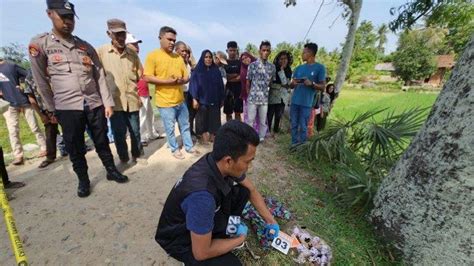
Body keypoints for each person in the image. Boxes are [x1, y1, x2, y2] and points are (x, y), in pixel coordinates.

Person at [29, 0, 128, 198]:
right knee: (75, 146)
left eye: (71, 17)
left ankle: (111, 170)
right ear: (50, 14)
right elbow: (40, 80)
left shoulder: (85, 46)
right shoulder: (41, 44)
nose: (68, 22)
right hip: (67, 106)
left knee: (101, 140)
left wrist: (107, 102)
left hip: (93, 103)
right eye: (62, 17)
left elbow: (99, 75)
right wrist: (51, 108)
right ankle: (83, 180)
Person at [156, 120, 279, 265]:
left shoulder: (217, 160)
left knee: (243, 191)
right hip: (181, 240)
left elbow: (251, 189)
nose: (249, 166)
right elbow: (201, 253)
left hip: (201, 215)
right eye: (247, 162)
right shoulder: (202, 197)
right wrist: (239, 239)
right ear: (228, 161)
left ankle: (222, 230)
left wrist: (271, 221)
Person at [144, 26, 199, 160]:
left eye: (174, 40)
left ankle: (188, 146)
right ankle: (174, 149)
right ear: (160, 38)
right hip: (165, 102)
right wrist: (167, 81)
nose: (172, 43)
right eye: (169, 39)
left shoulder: (178, 58)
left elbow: (187, 77)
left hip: (180, 99)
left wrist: (181, 80)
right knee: (169, 128)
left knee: (185, 125)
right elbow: (147, 77)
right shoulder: (153, 56)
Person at [97, 19, 144, 163]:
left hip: (132, 99)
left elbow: (139, 75)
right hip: (114, 102)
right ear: (109, 34)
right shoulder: (101, 52)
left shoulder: (132, 54)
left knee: (135, 131)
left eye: (123, 34)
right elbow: (98, 77)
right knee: (118, 133)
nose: (121, 38)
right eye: (117, 35)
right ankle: (123, 158)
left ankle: (138, 155)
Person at [0, 58, 47, 165]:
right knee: (13, 131)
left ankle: (44, 148)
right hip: (8, 104)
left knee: (34, 127)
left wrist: (23, 86)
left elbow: (29, 75)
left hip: (24, 101)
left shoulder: (11, 65)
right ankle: (18, 156)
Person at [126, 32, 162, 147]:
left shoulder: (136, 59)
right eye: (134, 45)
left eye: (137, 45)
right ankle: (140, 137)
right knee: (142, 115)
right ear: (127, 45)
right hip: (139, 93)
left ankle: (152, 133)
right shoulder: (128, 60)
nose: (137, 48)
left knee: (149, 115)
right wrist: (136, 95)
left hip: (145, 92)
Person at [289, 43, 326, 148]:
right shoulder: (298, 68)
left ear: (310, 53)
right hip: (295, 101)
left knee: (303, 126)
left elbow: (323, 86)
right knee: (294, 124)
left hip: (306, 103)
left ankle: (302, 146)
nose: (302, 54)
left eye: (304, 52)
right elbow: (291, 85)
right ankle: (294, 144)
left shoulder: (320, 68)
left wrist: (312, 84)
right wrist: (293, 83)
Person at [24, 70, 60, 168]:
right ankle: (50, 157)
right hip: (46, 110)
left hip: (62, 105)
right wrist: (41, 115)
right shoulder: (30, 76)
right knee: (50, 133)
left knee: (71, 128)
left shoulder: (53, 68)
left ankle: (78, 148)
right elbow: (31, 97)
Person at [189, 50, 225, 145]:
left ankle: (213, 134)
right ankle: (202, 135)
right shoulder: (197, 71)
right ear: (202, 58)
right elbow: (193, 85)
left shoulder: (216, 70)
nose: (208, 59)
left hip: (214, 100)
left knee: (215, 118)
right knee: (202, 119)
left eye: (210, 57)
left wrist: (222, 99)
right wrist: (194, 98)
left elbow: (221, 85)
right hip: (202, 101)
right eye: (206, 57)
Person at [246, 41, 276, 142]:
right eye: (263, 50)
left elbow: (271, 82)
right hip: (253, 98)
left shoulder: (272, 67)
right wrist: (248, 95)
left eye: (268, 50)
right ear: (260, 51)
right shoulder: (252, 65)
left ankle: (261, 137)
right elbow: (248, 82)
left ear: (270, 52)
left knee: (263, 121)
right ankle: (249, 138)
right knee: (250, 120)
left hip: (264, 99)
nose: (265, 52)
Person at [267, 50, 293, 135]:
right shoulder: (273, 68)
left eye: (285, 58)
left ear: (288, 59)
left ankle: (276, 131)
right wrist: (282, 85)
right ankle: (268, 131)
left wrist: (282, 71)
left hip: (282, 97)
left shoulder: (289, 70)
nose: (283, 60)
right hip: (273, 96)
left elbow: (286, 83)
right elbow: (270, 83)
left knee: (278, 115)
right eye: (281, 59)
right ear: (278, 60)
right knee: (270, 114)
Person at [175, 41, 196, 138]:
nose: (185, 54)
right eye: (183, 51)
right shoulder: (176, 63)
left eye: (187, 52)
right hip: (181, 92)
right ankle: (184, 135)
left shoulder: (189, 64)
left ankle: (190, 131)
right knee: (182, 116)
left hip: (190, 92)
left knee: (191, 114)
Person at [224, 41, 243, 122]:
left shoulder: (240, 62)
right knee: (228, 114)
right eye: (230, 50)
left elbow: (241, 77)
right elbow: (224, 77)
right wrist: (235, 74)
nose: (232, 52)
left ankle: (238, 131)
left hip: (238, 91)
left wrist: (229, 77)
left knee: (238, 113)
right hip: (227, 91)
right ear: (227, 50)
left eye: (234, 50)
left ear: (237, 50)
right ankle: (229, 131)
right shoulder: (224, 62)